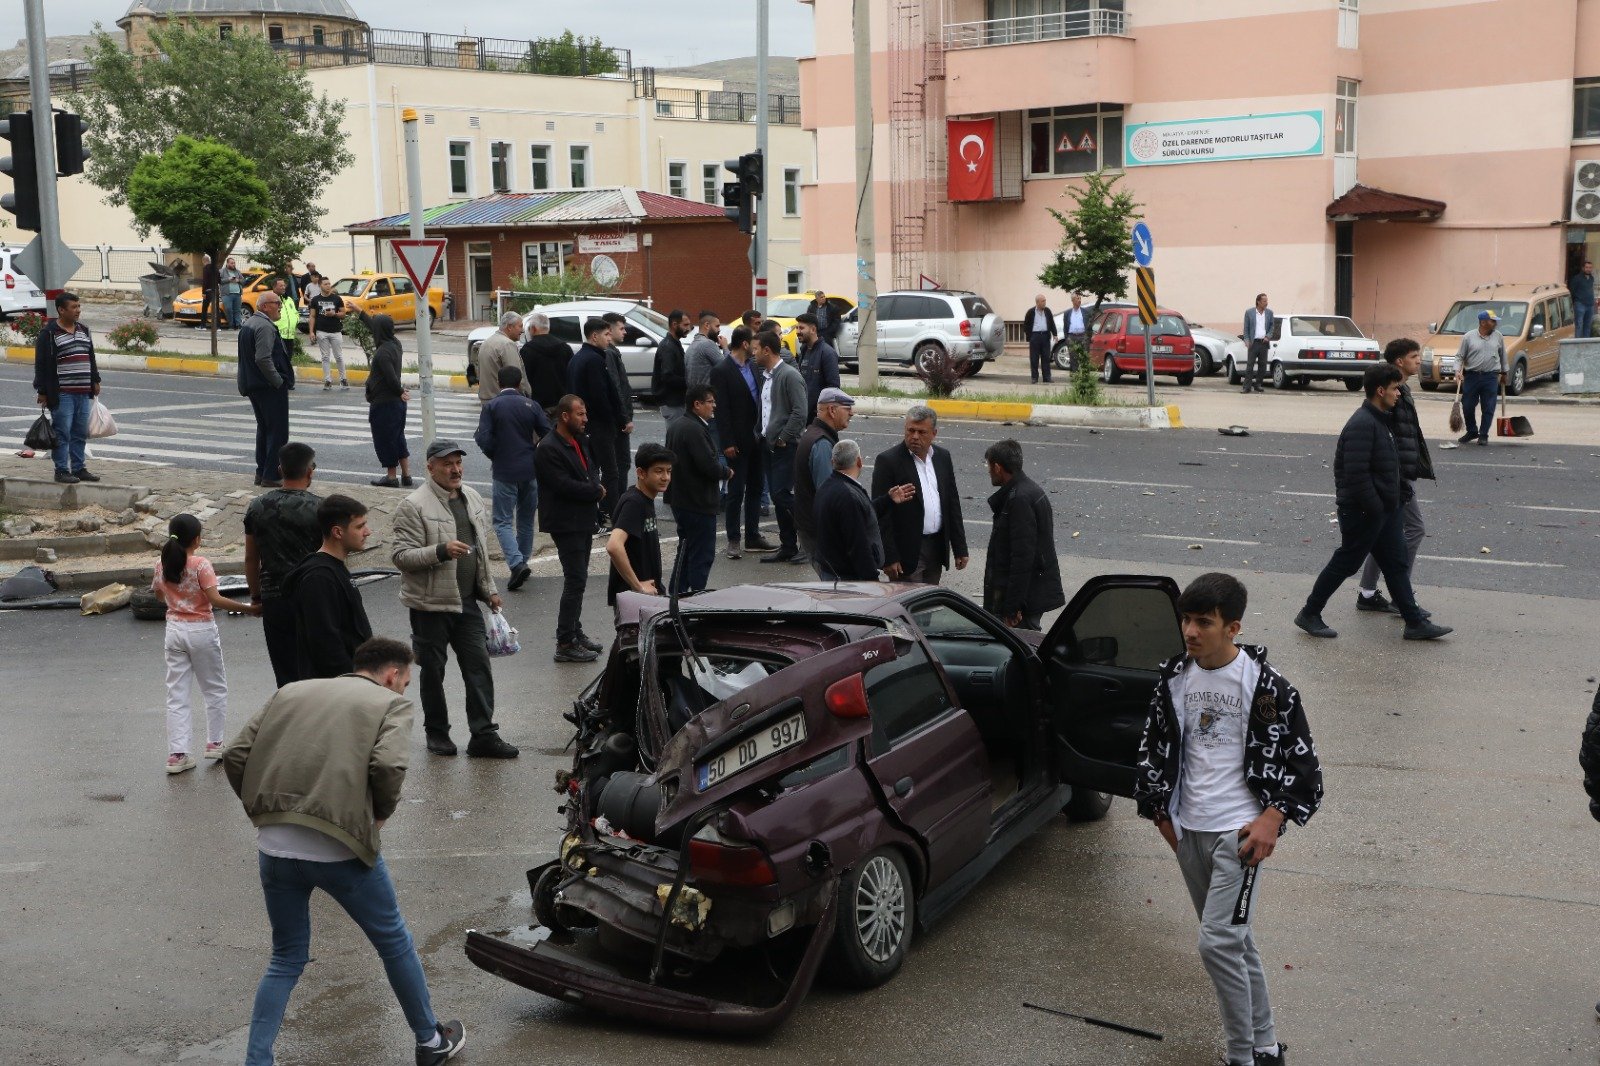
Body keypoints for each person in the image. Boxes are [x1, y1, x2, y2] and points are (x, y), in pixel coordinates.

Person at [222, 636, 467, 1066]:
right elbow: (389, 766)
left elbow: (236, 753)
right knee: (394, 943)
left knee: (286, 957)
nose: (404, 690)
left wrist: (262, 811)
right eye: (406, 683)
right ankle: (430, 1041)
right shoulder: (390, 705)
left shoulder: (290, 691)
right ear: (392, 675)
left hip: (275, 844)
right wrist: (379, 815)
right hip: (341, 848)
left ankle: (257, 1060)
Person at [1133, 572, 1322, 1066]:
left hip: (1238, 836)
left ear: (1232, 627)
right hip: (1188, 833)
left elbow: (1306, 769)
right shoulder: (1173, 678)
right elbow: (1151, 750)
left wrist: (1271, 820)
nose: (1190, 631)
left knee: (1217, 943)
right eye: (1185, 620)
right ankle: (1265, 1047)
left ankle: (1241, 1057)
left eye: (1203, 622)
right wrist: (1160, 815)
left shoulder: (1268, 687)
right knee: (1237, 943)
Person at [1293, 363, 1452, 642]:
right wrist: (1376, 509)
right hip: (1365, 512)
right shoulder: (1363, 424)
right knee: (1346, 562)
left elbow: (1387, 467)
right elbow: (1355, 475)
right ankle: (1309, 613)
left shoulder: (1380, 419)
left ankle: (1414, 622)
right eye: (1394, 389)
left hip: (1384, 510)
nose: (1398, 395)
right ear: (1380, 390)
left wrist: (1395, 500)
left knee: (1396, 563)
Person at [390, 440, 518, 758]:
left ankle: (483, 734)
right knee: (433, 671)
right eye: (447, 463)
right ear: (430, 467)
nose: (455, 469)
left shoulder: (471, 497)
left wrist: (488, 589)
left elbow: (481, 555)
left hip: (467, 603)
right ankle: (437, 732)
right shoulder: (413, 504)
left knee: (479, 667)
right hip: (429, 605)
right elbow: (401, 556)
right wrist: (440, 551)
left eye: (458, 462)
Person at [154, 512, 260, 774]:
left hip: (174, 631)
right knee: (214, 688)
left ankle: (177, 755)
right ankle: (214, 743)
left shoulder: (161, 564)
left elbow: (158, 595)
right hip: (201, 630)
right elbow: (215, 599)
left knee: (176, 693)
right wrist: (249, 608)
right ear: (197, 539)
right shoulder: (201, 564)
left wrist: (176, 602)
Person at [1356, 339, 1433, 616]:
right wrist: (1396, 474)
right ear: (1399, 362)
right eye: (1414, 356)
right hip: (1396, 474)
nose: (1418, 360)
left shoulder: (1402, 389)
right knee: (1414, 530)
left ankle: (1367, 592)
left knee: (1383, 533)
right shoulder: (1391, 392)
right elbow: (1386, 436)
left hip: (1402, 471)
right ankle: (1402, 596)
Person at [535, 396, 606, 662]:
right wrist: (595, 491)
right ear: (564, 416)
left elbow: (587, 472)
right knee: (575, 580)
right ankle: (565, 642)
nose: (585, 419)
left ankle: (575, 631)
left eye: (585, 413)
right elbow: (562, 484)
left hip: (583, 518)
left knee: (579, 579)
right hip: (566, 522)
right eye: (580, 414)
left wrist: (594, 487)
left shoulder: (578, 441)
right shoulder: (548, 448)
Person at [244, 443, 322, 687]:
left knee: (286, 673)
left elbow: (251, 558)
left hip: (274, 597)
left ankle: (292, 720)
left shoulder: (257, 507)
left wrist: (256, 596)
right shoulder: (321, 508)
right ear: (310, 471)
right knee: (317, 669)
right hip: (313, 596)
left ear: (279, 469)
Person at [475, 365, 551, 592]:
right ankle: (522, 562)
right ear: (519, 384)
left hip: (505, 471)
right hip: (530, 470)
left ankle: (516, 563)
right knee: (526, 520)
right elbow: (548, 433)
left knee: (502, 521)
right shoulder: (531, 405)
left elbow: (484, 438)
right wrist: (534, 451)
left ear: (499, 383)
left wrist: (496, 455)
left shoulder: (492, 406)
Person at [281, 494, 373, 681]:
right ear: (338, 532)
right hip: (338, 687)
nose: (367, 532)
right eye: (360, 526)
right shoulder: (319, 578)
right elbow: (324, 641)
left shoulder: (334, 568)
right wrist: (354, 680)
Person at [872, 406, 968, 584]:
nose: (915, 436)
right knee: (908, 607)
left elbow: (952, 503)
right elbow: (881, 514)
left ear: (934, 433)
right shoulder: (888, 461)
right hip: (906, 553)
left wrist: (960, 547)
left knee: (929, 604)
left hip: (936, 547)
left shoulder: (942, 457)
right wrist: (890, 557)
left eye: (921, 432)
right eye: (911, 430)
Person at [982, 438, 1064, 630]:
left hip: (1023, 602)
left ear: (997, 467)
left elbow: (1022, 557)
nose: (988, 471)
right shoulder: (1029, 491)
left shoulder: (1019, 500)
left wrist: (1013, 606)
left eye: (989, 466)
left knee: (1021, 650)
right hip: (1028, 595)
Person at [712, 326, 777, 559]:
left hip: (757, 438)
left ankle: (752, 535)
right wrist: (727, 441)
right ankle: (733, 539)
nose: (757, 347)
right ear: (745, 344)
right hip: (736, 442)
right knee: (735, 490)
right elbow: (722, 410)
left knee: (757, 487)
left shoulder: (753, 366)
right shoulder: (722, 370)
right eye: (754, 343)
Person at [32, 291, 102, 485]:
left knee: (79, 432)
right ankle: (61, 470)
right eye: (73, 307)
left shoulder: (83, 330)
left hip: (82, 392)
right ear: (61, 310)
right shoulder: (49, 333)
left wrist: (95, 379)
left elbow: (90, 357)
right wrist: (42, 390)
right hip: (63, 393)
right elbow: (41, 364)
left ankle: (79, 468)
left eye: (78, 306)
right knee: (62, 433)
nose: (78, 310)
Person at [814, 439, 910, 581]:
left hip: (831, 571)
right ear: (859, 461)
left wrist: (888, 499)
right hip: (847, 579)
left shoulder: (828, 487)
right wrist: (872, 581)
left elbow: (861, 514)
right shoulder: (848, 496)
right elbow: (858, 546)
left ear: (833, 462)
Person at [664, 386, 728, 596]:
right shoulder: (694, 429)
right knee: (701, 556)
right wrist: (726, 472)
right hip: (697, 502)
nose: (714, 406)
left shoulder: (678, 425)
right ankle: (696, 600)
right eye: (710, 402)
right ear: (697, 404)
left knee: (685, 552)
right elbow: (708, 465)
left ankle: (677, 597)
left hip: (681, 500)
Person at [752, 331, 808, 564]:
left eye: (756, 349)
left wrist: (784, 437)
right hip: (768, 444)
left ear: (767, 350)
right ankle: (788, 546)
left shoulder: (789, 375)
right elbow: (766, 411)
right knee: (778, 496)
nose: (752, 353)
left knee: (781, 495)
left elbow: (800, 411)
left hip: (784, 446)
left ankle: (808, 540)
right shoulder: (767, 376)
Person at [569, 317, 626, 526]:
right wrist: (615, 419)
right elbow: (600, 396)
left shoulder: (579, 358)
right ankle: (614, 515)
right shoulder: (594, 360)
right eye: (606, 334)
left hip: (586, 426)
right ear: (595, 336)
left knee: (591, 471)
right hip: (599, 426)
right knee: (610, 472)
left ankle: (596, 515)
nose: (609, 339)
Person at [795, 387, 854, 578]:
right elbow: (829, 496)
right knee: (835, 586)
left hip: (811, 527)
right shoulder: (821, 444)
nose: (852, 413)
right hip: (820, 533)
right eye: (847, 408)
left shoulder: (814, 434)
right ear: (831, 410)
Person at [238, 290, 295, 488]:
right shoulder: (264, 326)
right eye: (276, 303)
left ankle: (261, 471)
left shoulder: (250, 324)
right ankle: (271, 474)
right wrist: (278, 381)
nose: (280, 306)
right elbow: (262, 358)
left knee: (265, 429)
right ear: (264, 306)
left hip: (255, 386)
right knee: (277, 432)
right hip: (268, 387)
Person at [608, 443, 673, 605]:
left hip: (646, 594)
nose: (665, 477)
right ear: (641, 473)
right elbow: (614, 546)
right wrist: (638, 586)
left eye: (668, 471)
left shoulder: (645, 499)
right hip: (635, 599)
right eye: (659, 471)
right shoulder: (634, 502)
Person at [357, 311, 412, 488]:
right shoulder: (395, 344)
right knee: (398, 436)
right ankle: (406, 475)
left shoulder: (382, 353)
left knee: (385, 439)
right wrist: (360, 312)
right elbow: (376, 326)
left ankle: (391, 477)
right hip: (397, 404)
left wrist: (399, 391)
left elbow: (390, 377)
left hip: (385, 403)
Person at [1456, 308, 1507, 446]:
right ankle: (1472, 431)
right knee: (1467, 405)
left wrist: (1504, 373)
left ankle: (1483, 434)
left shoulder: (1498, 336)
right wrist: (1457, 371)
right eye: (1493, 321)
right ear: (1483, 322)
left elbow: (1503, 355)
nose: (1496, 323)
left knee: (1488, 406)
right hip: (1472, 376)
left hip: (1491, 376)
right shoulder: (1468, 337)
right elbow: (1460, 356)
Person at [602, 311, 637, 502]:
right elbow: (616, 387)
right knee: (619, 464)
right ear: (609, 329)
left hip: (617, 419)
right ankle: (616, 506)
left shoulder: (613, 352)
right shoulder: (609, 353)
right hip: (618, 422)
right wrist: (625, 418)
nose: (625, 332)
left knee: (618, 465)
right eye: (621, 328)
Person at [794, 311, 840, 423]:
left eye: (801, 328)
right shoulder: (803, 351)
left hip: (818, 418)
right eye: (796, 328)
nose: (797, 332)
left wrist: (820, 412)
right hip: (803, 415)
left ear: (813, 330)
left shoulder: (827, 353)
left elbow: (833, 388)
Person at [520, 311, 571, 410]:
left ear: (534, 329)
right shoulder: (565, 348)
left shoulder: (527, 350)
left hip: (537, 404)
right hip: (561, 403)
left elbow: (524, 378)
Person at [477, 312, 528, 403]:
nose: (522, 330)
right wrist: (526, 396)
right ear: (509, 327)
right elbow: (516, 376)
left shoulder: (487, 342)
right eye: (520, 326)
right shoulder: (507, 344)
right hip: (504, 401)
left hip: (487, 399)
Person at [309, 278, 348, 391]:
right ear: (320, 285)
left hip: (336, 331)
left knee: (339, 356)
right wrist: (311, 332)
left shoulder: (336, 298)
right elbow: (312, 316)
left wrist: (334, 314)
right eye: (325, 284)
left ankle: (343, 379)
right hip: (321, 331)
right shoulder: (315, 300)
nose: (328, 286)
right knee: (325, 357)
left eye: (329, 284)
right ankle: (327, 380)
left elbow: (343, 314)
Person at [652, 308, 691, 423]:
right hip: (672, 402)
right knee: (676, 438)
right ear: (674, 324)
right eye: (685, 325)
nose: (688, 329)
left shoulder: (674, 343)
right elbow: (667, 376)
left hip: (676, 401)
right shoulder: (668, 347)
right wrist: (688, 382)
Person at [1021, 293, 1058, 384]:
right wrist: (1030, 336)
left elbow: (1051, 323)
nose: (1045, 302)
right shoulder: (1030, 312)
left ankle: (1047, 377)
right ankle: (1034, 377)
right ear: (1037, 302)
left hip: (1045, 336)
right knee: (1034, 358)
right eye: (1043, 301)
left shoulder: (1047, 311)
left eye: (1045, 300)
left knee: (1046, 358)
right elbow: (1025, 325)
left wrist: (1055, 334)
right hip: (1035, 336)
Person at [685, 310, 724, 392]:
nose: (719, 330)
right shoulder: (707, 344)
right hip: (706, 398)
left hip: (695, 397)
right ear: (707, 325)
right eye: (717, 326)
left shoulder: (692, 345)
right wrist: (725, 347)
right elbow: (728, 367)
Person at [1242, 294, 1274, 395]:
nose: (1266, 303)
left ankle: (1258, 384)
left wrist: (1268, 336)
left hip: (1264, 343)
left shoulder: (1269, 313)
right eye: (1264, 301)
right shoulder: (1249, 312)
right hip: (1253, 342)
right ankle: (1247, 387)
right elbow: (1246, 328)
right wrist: (1246, 340)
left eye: (1267, 301)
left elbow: (1272, 327)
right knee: (1250, 365)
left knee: (1262, 366)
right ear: (1258, 302)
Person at [1063, 293, 1089, 370]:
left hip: (1083, 336)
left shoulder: (1085, 312)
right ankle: (1075, 377)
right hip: (1072, 337)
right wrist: (1067, 338)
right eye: (1077, 299)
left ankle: (1085, 377)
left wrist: (1088, 337)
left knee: (1085, 357)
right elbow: (1065, 327)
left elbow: (1089, 325)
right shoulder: (1067, 313)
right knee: (1073, 358)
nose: (1079, 300)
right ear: (1072, 300)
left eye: (1080, 298)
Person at [270, 278, 300, 345]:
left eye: (284, 285)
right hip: (276, 337)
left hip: (290, 337)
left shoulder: (289, 299)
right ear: (274, 287)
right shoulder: (269, 300)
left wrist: (296, 320)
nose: (283, 287)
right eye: (281, 286)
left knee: (288, 355)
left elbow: (295, 313)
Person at [1572, 259, 1596, 340]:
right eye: (1587, 267)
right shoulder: (1577, 278)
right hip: (1580, 305)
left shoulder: (1592, 278)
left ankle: (1586, 343)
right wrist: (1575, 302)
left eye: (1590, 267)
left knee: (1588, 325)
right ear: (1583, 268)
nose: (1588, 269)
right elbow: (1573, 291)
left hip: (1590, 305)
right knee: (1579, 325)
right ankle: (1577, 343)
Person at [220, 256, 245, 330]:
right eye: (231, 263)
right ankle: (231, 325)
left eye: (234, 263)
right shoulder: (222, 271)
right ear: (227, 264)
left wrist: (238, 280)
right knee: (228, 309)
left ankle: (238, 325)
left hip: (237, 294)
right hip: (227, 294)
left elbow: (243, 281)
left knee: (237, 310)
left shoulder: (237, 271)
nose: (233, 264)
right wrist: (228, 279)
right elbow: (219, 281)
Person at [201, 254, 221, 330]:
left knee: (204, 308)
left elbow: (205, 281)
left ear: (204, 261)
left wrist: (203, 292)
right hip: (216, 291)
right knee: (216, 309)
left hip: (208, 291)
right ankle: (218, 327)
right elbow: (219, 280)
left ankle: (203, 326)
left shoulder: (205, 268)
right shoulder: (216, 268)